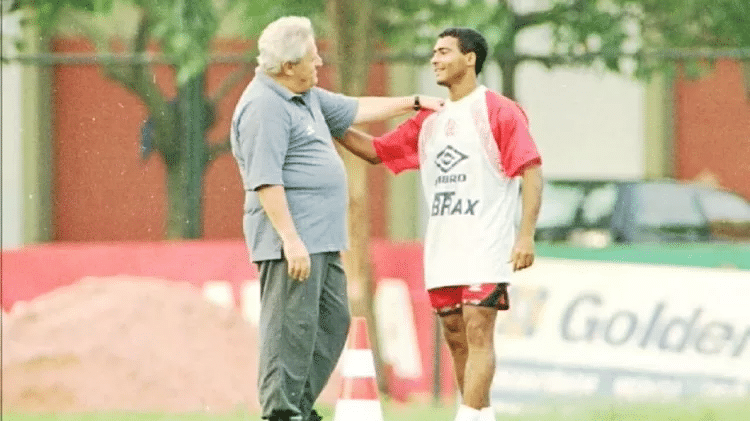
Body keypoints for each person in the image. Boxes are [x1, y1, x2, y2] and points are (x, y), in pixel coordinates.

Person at [229, 16, 444, 421]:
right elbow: (265, 180)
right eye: (312, 57)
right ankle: (281, 411)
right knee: (288, 332)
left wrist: (413, 102)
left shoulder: (305, 94)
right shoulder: (264, 106)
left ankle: (298, 405)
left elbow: (355, 109)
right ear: (288, 65)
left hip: (324, 238)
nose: (320, 62)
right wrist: (290, 240)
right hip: (292, 241)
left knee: (332, 321)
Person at [335, 27, 543, 421]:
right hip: (443, 248)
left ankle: (467, 416)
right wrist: (331, 121)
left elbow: (531, 170)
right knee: (455, 336)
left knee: (479, 329)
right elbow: (376, 152)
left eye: (444, 51)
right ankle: (480, 415)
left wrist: (525, 235)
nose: (435, 58)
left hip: (486, 243)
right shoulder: (429, 120)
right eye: (433, 51)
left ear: (470, 59)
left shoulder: (498, 110)